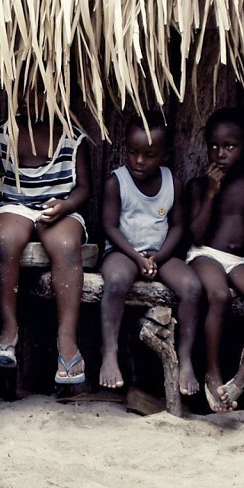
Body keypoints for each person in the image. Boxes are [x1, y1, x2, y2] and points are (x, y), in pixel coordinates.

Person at [0, 89, 90, 386]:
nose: (33, 99)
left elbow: (83, 187)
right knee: (6, 240)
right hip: (12, 205)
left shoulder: (71, 136)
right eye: (26, 93)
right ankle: (8, 330)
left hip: (59, 207)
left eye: (42, 91)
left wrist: (65, 206)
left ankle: (67, 340)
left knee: (67, 246)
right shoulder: (3, 133)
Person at [99, 111, 202, 395]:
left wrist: (158, 258)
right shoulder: (116, 182)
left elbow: (178, 226)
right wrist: (136, 257)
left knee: (192, 287)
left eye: (149, 154)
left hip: (160, 254)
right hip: (122, 251)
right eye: (132, 152)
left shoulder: (172, 183)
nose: (139, 161)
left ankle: (186, 360)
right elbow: (109, 226)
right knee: (117, 281)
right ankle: (109, 353)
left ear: (165, 155)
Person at [185, 108, 244, 412]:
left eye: (229, 146)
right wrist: (212, 193)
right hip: (204, 254)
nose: (219, 153)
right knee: (218, 294)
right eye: (213, 145)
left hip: (240, 259)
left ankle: (242, 378)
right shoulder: (199, 185)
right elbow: (196, 236)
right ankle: (213, 373)